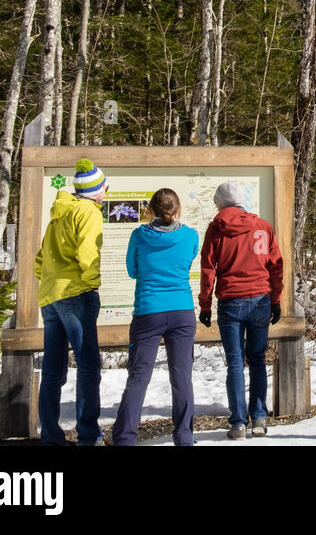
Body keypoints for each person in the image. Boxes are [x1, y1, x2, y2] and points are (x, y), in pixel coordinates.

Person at [111, 188, 200, 446]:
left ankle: (125, 438)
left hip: (148, 310)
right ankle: (184, 436)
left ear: (151, 208)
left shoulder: (139, 235)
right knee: (182, 376)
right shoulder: (190, 236)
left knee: (139, 376)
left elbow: (131, 270)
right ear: (178, 208)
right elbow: (188, 260)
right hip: (182, 310)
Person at [198, 181, 283, 440]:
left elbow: (208, 268)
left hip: (231, 301)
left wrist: (205, 303)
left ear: (221, 203)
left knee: (235, 363)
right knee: (257, 360)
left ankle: (238, 424)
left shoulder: (216, 229)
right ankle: (259, 418)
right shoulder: (263, 227)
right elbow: (275, 266)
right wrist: (276, 299)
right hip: (260, 298)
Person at [35, 157, 106, 446]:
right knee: (88, 366)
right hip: (76, 294)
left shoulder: (60, 212)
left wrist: (49, 281)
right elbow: (88, 252)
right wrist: (91, 283)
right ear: (94, 190)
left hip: (50, 296)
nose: (106, 192)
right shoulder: (88, 212)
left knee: (53, 369)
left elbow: (41, 257)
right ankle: (88, 435)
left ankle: (51, 436)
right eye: (104, 187)